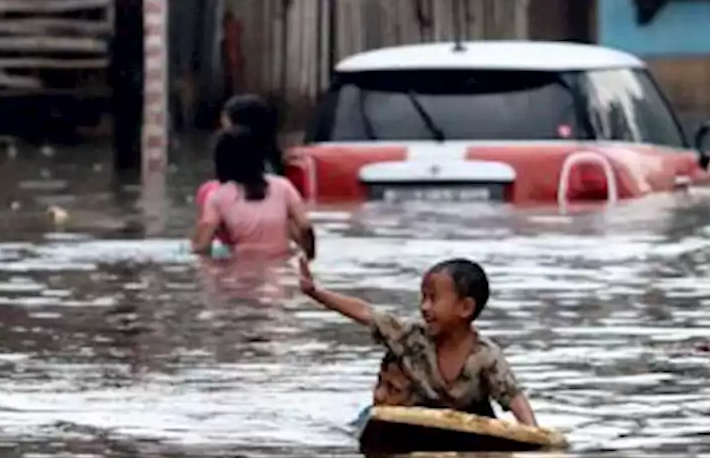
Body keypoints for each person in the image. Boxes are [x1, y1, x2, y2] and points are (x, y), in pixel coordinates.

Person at [297, 256, 539, 426]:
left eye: (433, 299)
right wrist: (315, 292)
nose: (424, 307)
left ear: (465, 307)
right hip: (417, 420)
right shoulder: (411, 335)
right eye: (423, 298)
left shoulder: (486, 356)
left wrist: (535, 435)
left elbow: (513, 397)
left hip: (468, 422)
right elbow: (366, 313)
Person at [192, 126, 316, 259]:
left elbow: (202, 245)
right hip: (281, 263)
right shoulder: (283, 186)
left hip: (240, 267)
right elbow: (304, 226)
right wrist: (308, 258)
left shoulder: (218, 196)